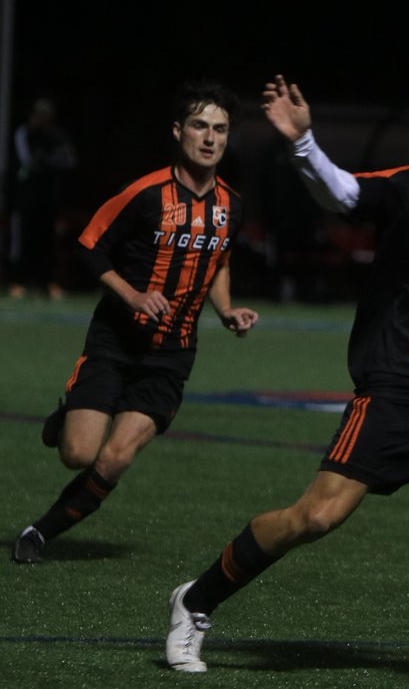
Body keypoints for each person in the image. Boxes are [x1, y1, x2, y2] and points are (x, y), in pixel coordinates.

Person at [163, 60, 409, 673]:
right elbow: (346, 194)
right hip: (399, 389)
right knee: (317, 516)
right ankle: (195, 601)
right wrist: (303, 141)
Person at [11, 82, 257, 564]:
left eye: (220, 129)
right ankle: (67, 419)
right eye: (200, 126)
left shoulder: (233, 204)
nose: (210, 138)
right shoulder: (144, 194)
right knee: (78, 454)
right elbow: (88, 245)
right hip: (115, 341)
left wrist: (226, 310)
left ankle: (39, 533)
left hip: (171, 355)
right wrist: (133, 295)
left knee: (115, 457)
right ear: (178, 131)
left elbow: (219, 261)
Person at [7, 98, 77, 299]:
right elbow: (29, 161)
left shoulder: (57, 136)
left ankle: (50, 282)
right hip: (26, 200)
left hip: (50, 200)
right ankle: (17, 281)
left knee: (49, 242)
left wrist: (48, 161)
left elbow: (68, 160)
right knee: (23, 241)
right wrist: (49, 161)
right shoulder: (24, 134)